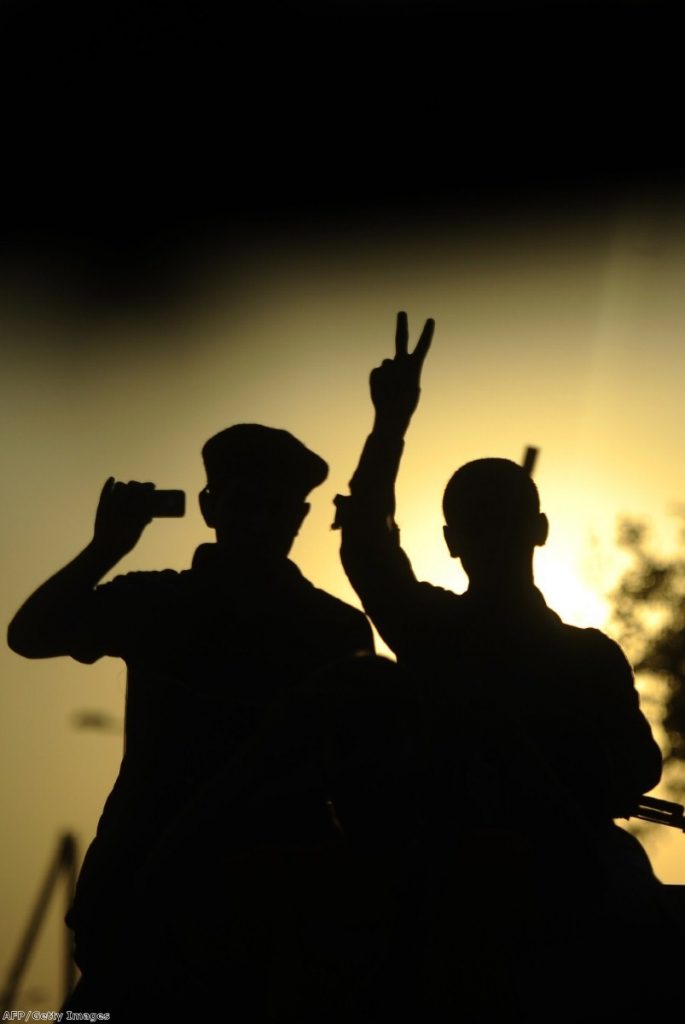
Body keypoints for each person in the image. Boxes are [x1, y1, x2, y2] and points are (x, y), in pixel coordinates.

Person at [336, 312, 665, 1017]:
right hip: (537, 905)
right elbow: (634, 771)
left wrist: (389, 425)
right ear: (540, 531)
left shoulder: (432, 632)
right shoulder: (583, 655)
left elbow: (365, 549)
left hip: (472, 905)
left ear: (450, 542)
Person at [8, 423, 374, 1008]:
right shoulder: (162, 603)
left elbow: (357, 783)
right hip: (149, 915)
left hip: (261, 928)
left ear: (299, 518)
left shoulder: (331, 631)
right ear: (210, 507)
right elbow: (30, 635)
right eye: (246, 504)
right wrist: (107, 547)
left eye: (276, 509)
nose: (259, 523)